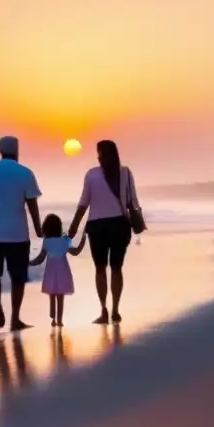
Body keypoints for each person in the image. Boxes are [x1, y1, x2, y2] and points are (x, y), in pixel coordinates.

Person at [0, 136, 43, 331]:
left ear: (0, 150)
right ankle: (15, 318)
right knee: (18, 278)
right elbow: (32, 204)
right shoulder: (25, 173)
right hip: (18, 235)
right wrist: (38, 228)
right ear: (16, 151)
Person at [67, 139, 141, 324]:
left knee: (100, 269)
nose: (98, 157)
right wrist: (137, 220)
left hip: (98, 227)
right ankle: (115, 310)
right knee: (116, 268)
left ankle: (104, 311)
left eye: (99, 153)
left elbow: (84, 203)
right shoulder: (125, 173)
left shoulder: (91, 174)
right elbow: (133, 201)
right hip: (120, 226)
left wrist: (73, 227)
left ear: (103, 154)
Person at [29, 213, 87, 327]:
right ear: (59, 227)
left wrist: (30, 262)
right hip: (63, 270)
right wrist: (83, 240)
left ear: (46, 227)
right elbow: (76, 252)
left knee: (52, 292)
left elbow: (40, 259)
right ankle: (59, 320)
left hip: (50, 271)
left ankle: (52, 316)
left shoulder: (46, 241)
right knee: (60, 296)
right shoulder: (64, 240)